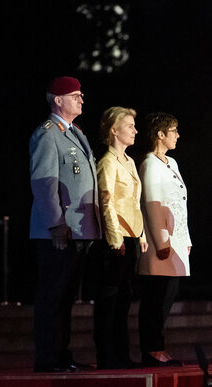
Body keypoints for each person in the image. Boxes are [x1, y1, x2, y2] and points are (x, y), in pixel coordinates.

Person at [29, 76, 101, 372]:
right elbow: (45, 183)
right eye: (75, 95)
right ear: (58, 100)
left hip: (78, 230)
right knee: (53, 295)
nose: (81, 99)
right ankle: (48, 358)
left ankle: (62, 354)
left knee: (66, 296)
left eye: (81, 95)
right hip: (57, 232)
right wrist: (56, 223)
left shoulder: (75, 132)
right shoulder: (48, 134)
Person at [94, 106, 147, 369]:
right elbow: (106, 202)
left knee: (124, 298)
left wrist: (142, 233)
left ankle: (122, 355)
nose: (135, 130)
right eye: (129, 126)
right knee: (110, 299)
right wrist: (115, 239)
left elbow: (134, 203)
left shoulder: (129, 161)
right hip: (116, 239)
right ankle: (107, 357)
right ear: (114, 130)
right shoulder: (107, 162)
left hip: (132, 236)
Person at [137, 112, 190, 367]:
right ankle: (152, 349)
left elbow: (180, 202)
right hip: (161, 243)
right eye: (174, 130)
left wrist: (186, 238)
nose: (177, 135)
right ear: (160, 134)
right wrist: (162, 240)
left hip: (175, 241)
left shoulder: (172, 163)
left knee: (167, 296)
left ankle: (159, 346)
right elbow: (152, 204)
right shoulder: (149, 163)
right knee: (155, 298)